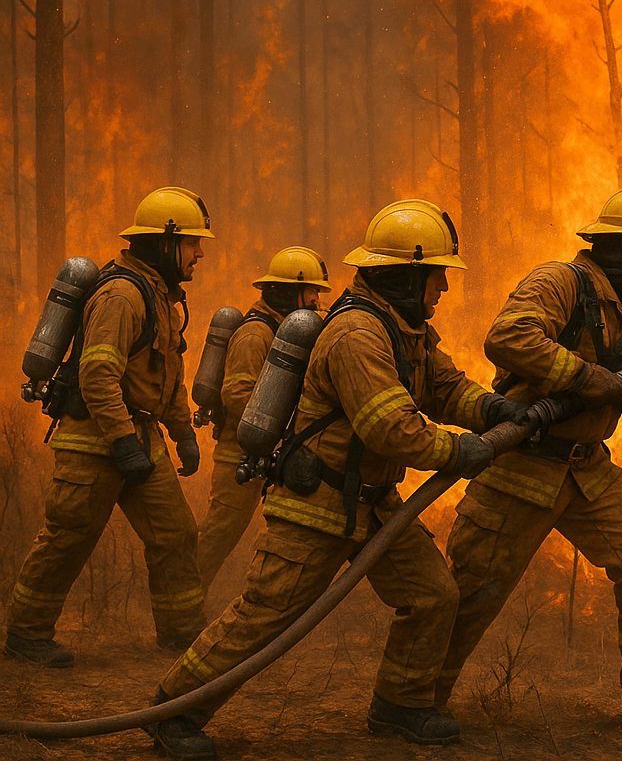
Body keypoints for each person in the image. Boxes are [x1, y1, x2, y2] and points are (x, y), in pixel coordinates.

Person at [151, 200, 521, 759]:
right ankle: (173, 711)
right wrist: (459, 449)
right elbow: (389, 427)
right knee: (264, 614)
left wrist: (493, 410)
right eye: (436, 275)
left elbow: (445, 388)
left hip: (373, 503)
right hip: (317, 503)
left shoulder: (407, 331)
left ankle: (400, 704)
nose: (443, 287)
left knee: (432, 594)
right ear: (406, 275)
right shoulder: (356, 334)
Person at [437, 184, 622, 733]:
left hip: (588, 470)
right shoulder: (560, 282)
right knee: (476, 588)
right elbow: (507, 337)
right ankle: (410, 699)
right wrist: (585, 377)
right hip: (521, 463)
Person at [4, 186, 214, 668]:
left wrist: (182, 433)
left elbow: (166, 375)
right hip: (93, 440)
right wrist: (121, 441)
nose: (199, 254)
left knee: (176, 533)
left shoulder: (160, 297)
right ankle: (26, 635)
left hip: (141, 437)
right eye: (192, 243)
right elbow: (97, 375)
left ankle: (182, 632)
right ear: (165, 242)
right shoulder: (122, 295)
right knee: (68, 536)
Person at [197, 246, 331, 593]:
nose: (316, 301)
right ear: (289, 291)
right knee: (218, 536)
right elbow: (236, 393)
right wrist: (280, 428)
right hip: (239, 452)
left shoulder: (281, 329)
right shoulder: (255, 334)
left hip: (266, 450)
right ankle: (184, 600)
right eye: (311, 291)